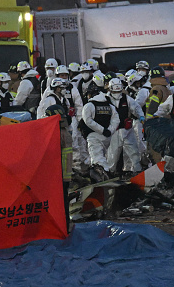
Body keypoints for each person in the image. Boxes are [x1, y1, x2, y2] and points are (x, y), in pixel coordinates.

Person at [79, 83, 119, 182]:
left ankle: (103, 178)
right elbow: (116, 120)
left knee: (97, 158)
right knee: (104, 156)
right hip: (108, 137)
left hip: (94, 136)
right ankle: (104, 174)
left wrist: (101, 130)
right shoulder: (110, 106)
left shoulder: (89, 105)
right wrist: (109, 130)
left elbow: (87, 121)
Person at [106, 78, 145, 176]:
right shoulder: (105, 100)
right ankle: (110, 174)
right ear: (110, 90)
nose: (117, 93)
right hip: (114, 132)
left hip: (128, 131)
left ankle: (138, 172)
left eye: (118, 91)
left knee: (134, 153)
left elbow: (136, 107)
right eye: (115, 91)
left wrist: (141, 116)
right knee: (112, 155)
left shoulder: (126, 98)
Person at [44, 104, 73, 232]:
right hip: (64, 175)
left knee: (59, 204)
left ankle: (61, 228)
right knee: (63, 203)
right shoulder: (65, 131)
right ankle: (64, 226)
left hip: (58, 175)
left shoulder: (58, 133)